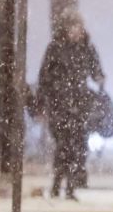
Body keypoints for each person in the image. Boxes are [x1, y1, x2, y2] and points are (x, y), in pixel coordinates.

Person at [37, 10, 106, 201]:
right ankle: (59, 184)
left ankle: (69, 186)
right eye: (73, 27)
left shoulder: (87, 49)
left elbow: (96, 71)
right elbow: (44, 76)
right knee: (64, 145)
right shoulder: (55, 49)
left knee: (77, 146)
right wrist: (43, 101)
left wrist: (100, 78)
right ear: (65, 29)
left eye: (79, 27)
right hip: (60, 105)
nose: (76, 31)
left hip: (79, 104)